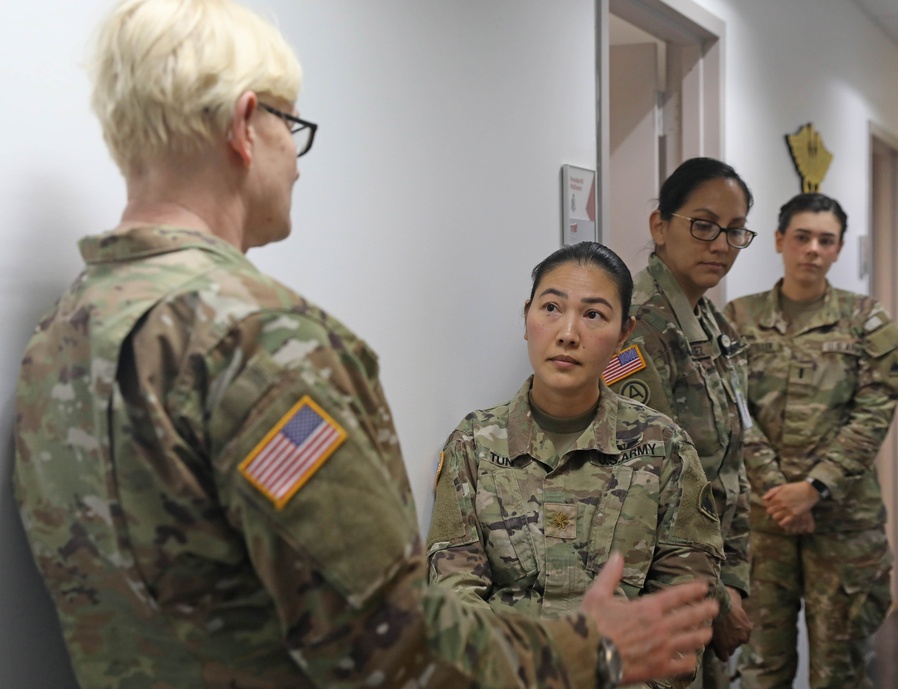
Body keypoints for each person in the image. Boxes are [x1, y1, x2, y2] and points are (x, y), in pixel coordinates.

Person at [10, 2, 720, 688]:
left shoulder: (62, 333)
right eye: (292, 125)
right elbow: (393, 650)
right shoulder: (264, 346)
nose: (295, 158)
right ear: (244, 125)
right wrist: (589, 648)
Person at [426, 241, 725, 687]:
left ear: (625, 333)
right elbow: (455, 598)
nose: (568, 332)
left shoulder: (664, 449)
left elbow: (682, 610)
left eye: (593, 315)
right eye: (551, 307)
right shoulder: (473, 445)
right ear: (527, 317)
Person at [723, 193, 898, 689]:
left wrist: (815, 488)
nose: (813, 250)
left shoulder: (868, 321)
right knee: (761, 668)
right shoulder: (738, 319)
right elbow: (733, 413)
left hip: (845, 524)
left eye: (826, 240)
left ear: (840, 248)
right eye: (802, 237)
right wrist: (781, 492)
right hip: (761, 524)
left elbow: (875, 412)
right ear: (780, 240)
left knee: (840, 669)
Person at [605, 157, 757, 689]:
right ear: (659, 226)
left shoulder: (711, 322)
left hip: (708, 583)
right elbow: (650, 487)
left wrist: (733, 581)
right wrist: (718, 597)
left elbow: (732, 464)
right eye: (704, 225)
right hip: (660, 593)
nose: (720, 244)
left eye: (735, 231)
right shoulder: (641, 327)